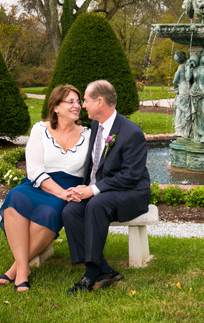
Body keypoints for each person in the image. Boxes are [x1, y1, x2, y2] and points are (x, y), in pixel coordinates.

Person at [0, 85, 90, 292]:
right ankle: (23, 270)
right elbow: (35, 169)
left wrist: (76, 190)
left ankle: (16, 268)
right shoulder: (40, 129)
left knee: (49, 213)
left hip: (69, 188)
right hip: (39, 184)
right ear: (56, 107)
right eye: (71, 102)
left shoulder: (89, 135)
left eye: (78, 102)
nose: (77, 106)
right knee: (15, 198)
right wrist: (59, 192)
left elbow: (94, 169)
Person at [62, 80, 151, 294]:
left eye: (85, 100)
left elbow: (130, 176)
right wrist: (83, 188)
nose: (83, 105)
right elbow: (95, 165)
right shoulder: (96, 126)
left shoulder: (131, 133)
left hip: (132, 193)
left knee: (96, 204)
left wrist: (93, 190)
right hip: (105, 190)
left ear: (99, 102)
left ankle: (90, 275)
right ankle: (103, 268)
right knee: (71, 210)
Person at [172, 50, 193, 137]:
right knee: (187, 109)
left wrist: (175, 87)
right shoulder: (189, 67)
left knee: (179, 110)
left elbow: (175, 80)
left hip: (182, 89)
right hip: (189, 88)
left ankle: (179, 130)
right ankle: (186, 130)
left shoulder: (181, 67)